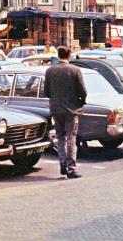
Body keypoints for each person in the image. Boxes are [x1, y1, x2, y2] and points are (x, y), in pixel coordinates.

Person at [43, 46, 87, 179]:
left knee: (60, 136)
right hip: (71, 109)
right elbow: (83, 91)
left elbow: (46, 91)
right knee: (71, 138)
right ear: (69, 55)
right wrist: (81, 102)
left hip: (56, 108)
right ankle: (71, 167)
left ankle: (62, 162)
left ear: (58, 55)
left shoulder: (50, 70)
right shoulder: (75, 70)